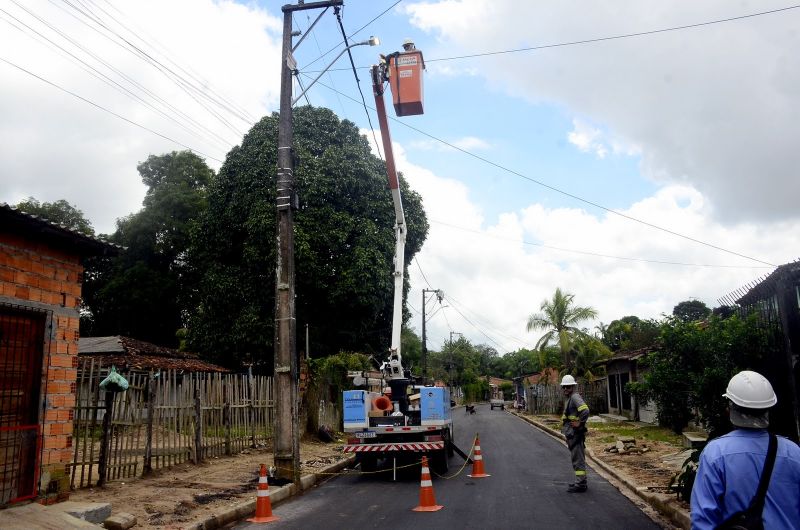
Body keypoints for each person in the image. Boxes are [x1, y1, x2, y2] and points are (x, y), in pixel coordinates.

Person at [690, 370, 800, 529]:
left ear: (730, 408)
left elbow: (703, 519)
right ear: (768, 410)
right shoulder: (794, 453)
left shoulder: (716, 453)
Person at [560, 374, 590, 492]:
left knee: (578, 459)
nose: (566, 389)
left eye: (568, 387)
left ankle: (581, 484)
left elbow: (585, 410)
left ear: (573, 387)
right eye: (564, 387)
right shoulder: (570, 398)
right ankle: (580, 481)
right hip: (572, 434)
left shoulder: (574, 397)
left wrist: (580, 423)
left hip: (576, 433)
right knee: (576, 458)